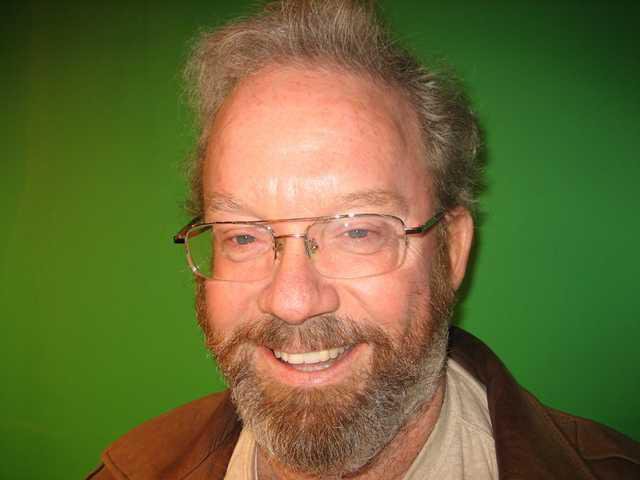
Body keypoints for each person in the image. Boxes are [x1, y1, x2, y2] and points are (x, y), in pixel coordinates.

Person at [88, 1, 639, 478]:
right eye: (244, 236)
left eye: (357, 230)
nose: (293, 301)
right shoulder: (133, 469)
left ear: (451, 251)